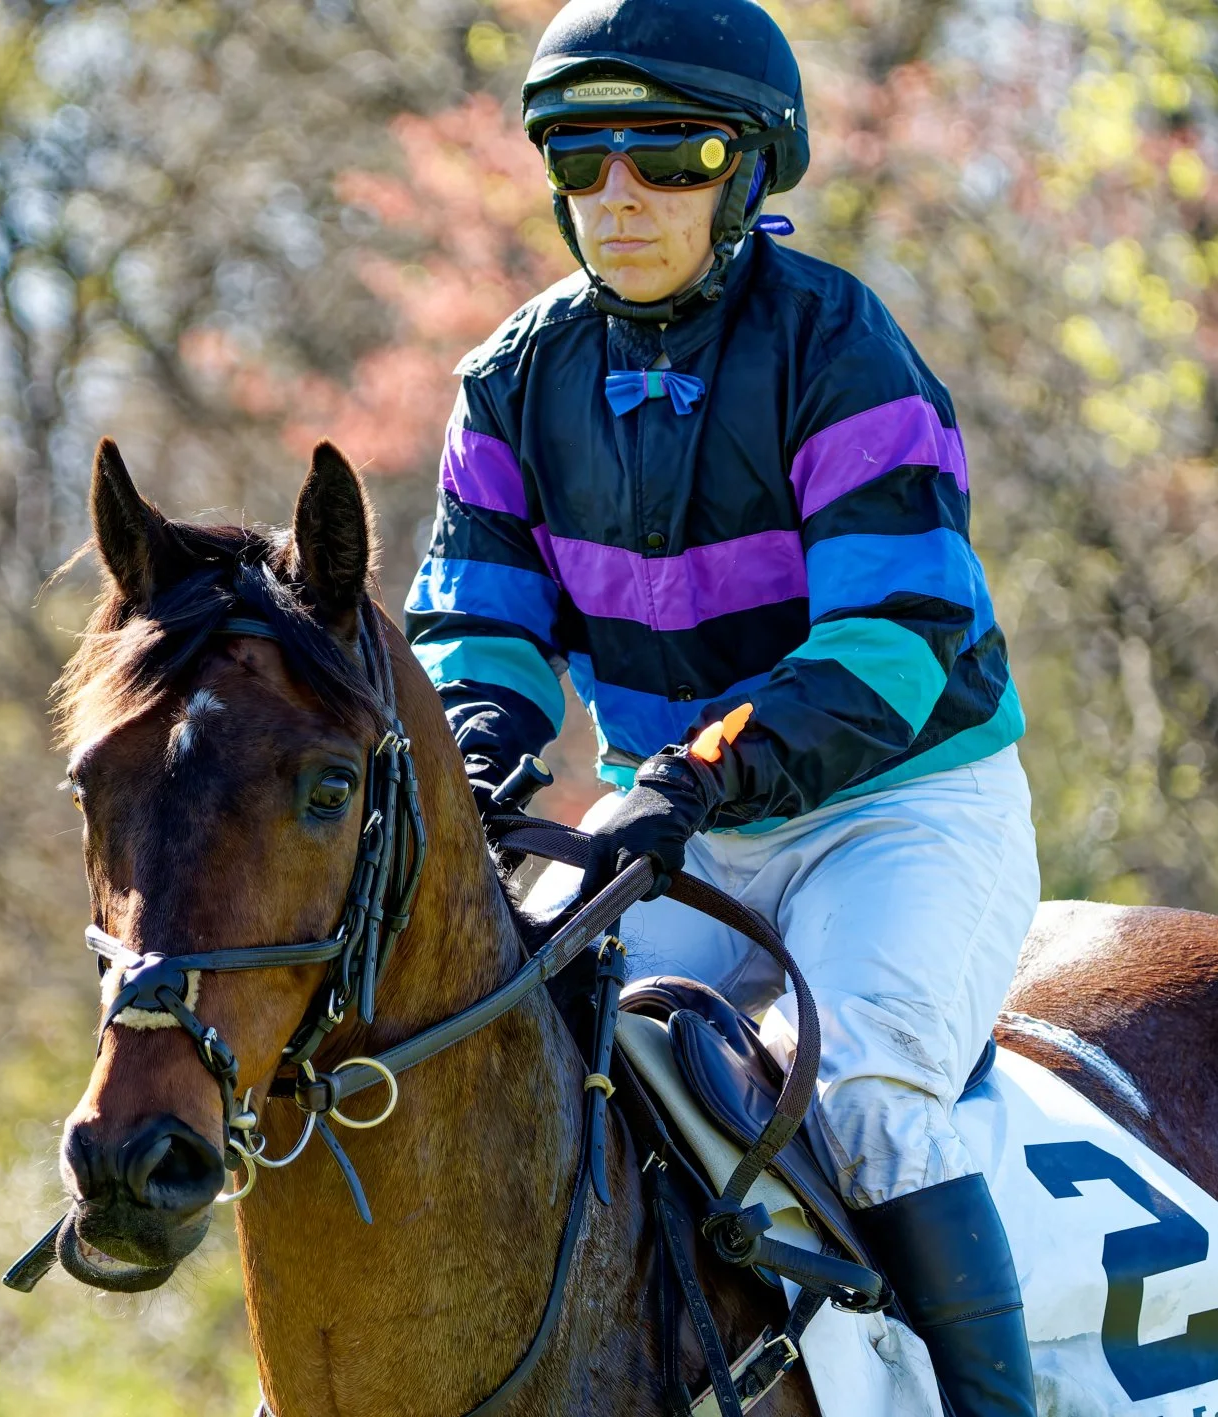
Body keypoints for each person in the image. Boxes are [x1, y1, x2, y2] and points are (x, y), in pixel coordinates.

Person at [403, 2, 1040, 1412]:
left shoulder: (840, 346)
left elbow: (892, 643)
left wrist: (688, 778)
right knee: (520, 1057)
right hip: (676, 821)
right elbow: (477, 626)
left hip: (901, 811)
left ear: (749, 170)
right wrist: (485, 754)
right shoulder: (510, 383)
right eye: (581, 156)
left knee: (865, 1094)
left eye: (671, 154)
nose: (620, 198)